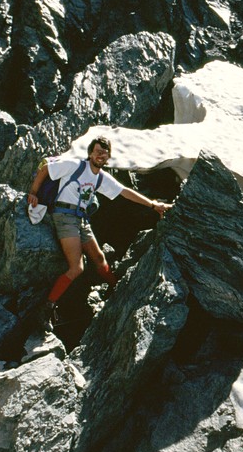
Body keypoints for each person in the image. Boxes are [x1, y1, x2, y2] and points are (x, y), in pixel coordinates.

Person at [28, 136, 172, 330]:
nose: (101, 155)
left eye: (104, 153)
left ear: (108, 157)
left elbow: (125, 191)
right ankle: (47, 307)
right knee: (77, 267)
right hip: (64, 216)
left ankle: (116, 287)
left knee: (99, 257)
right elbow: (46, 168)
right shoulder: (75, 165)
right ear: (90, 153)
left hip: (81, 219)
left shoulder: (101, 177)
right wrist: (33, 193)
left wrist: (154, 205)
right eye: (97, 151)